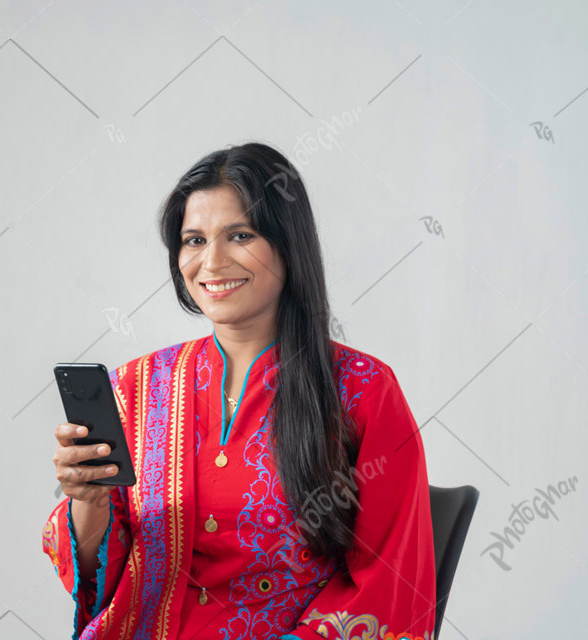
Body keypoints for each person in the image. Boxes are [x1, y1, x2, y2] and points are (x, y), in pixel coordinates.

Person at [42, 142, 436, 640]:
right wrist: (88, 503)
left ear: (288, 245)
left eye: (240, 235)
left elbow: (389, 590)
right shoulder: (136, 389)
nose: (212, 261)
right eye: (194, 240)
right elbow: (100, 580)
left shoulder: (361, 391)